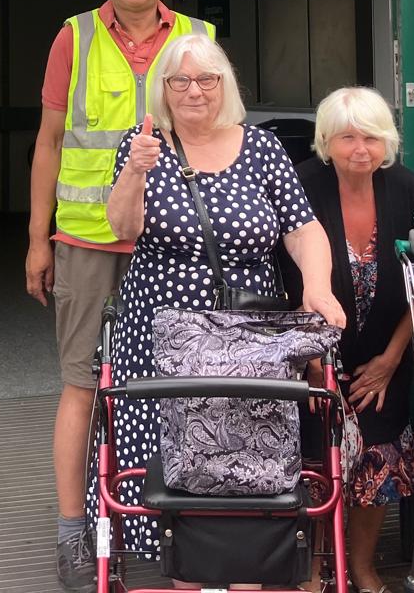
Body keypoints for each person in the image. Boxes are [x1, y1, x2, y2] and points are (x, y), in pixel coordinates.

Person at [87, 32, 347, 573]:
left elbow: (303, 230)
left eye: (206, 79)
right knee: (158, 436)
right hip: (163, 325)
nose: (193, 91)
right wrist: (135, 170)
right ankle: (170, 556)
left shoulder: (261, 148)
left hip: (246, 331)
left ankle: (245, 555)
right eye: (179, 80)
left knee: (249, 440)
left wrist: (316, 286)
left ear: (223, 84)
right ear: (164, 88)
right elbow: (123, 228)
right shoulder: (143, 145)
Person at [26, 0, 217, 590]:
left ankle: (177, 523)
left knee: (179, 388)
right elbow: (49, 143)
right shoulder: (73, 37)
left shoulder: (199, 39)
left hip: (173, 242)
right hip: (86, 242)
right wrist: (36, 239)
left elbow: (220, 136)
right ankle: (72, 534)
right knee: (83, 386)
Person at [277, 86, 414, 593]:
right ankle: (316, 567)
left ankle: (361, 565)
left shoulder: (406, 188)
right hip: (313, 354)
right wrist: (314, 363)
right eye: (347, 138)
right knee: (317, 458)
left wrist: (391, 358)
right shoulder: (303, 184)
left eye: (372, 137)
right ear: (326, 141)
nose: (361, 149)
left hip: (386, 354)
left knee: (380, 457)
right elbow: (285, 281)